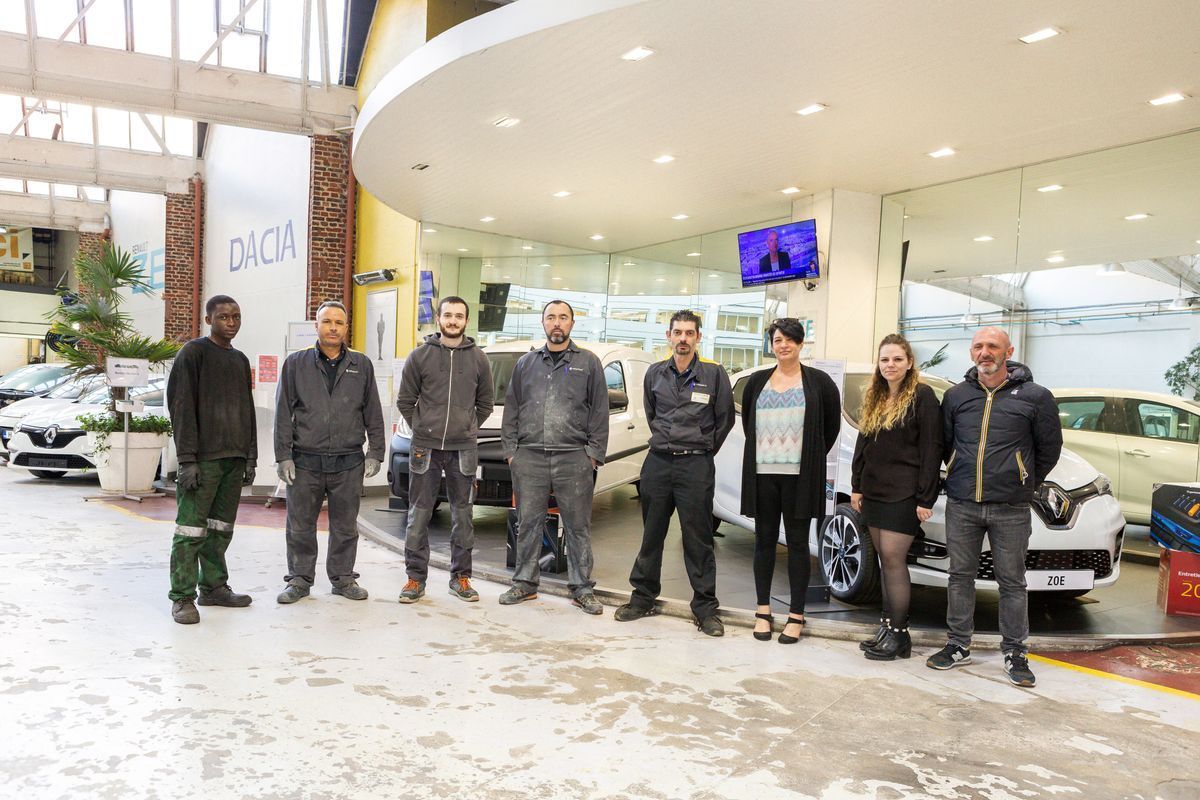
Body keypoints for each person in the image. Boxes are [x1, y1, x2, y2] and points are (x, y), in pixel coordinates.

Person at [927, 326, 1062, 687]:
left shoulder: (1036, 397)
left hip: (1011, 507)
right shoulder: (956, 396)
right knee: (960, 576)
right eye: (978, 346)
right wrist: (956, 471)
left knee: (1012, 582)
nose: (984, 352)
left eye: (992, 346)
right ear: (971, 352)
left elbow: (1049, 448)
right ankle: (958, 644)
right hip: (962, 503)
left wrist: (1023, 480)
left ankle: (1015, 651)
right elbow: (944, 443)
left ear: (1008, 352)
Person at [614, 311, 734, 636]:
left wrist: (703, 449)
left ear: (698, 337)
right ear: (669, 336)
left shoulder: (714, 373)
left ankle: (705, 608)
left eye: (689, 333)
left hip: (695, 465)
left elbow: (725, 419)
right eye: (677, 332)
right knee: (651, 534)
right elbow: (651, 413)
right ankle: (643, 598)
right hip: (658, 463)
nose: (683, 339)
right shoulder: (655, 373)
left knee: (698, 538)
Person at [499, 300, 608, 614]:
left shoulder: (588, 363)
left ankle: (582, 589)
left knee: (577, 526)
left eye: (563, 317)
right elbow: (512, 409)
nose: (556, 323)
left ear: (572, 323)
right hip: (529, 457)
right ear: (543, 323)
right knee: (527, 523)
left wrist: (592, 455)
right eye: (551, 317)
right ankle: (524, 584)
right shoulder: (526, 364)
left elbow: (599, 411)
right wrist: (512, 453)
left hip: (573, 457)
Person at [274, 300, 385, 604]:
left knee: (345, 526)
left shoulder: (361, 365)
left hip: (348, 461)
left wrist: (376, 452)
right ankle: (299, 580)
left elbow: (373, 411)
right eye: (327, 322)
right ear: (317, 326)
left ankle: (343, 579)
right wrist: (283, 456)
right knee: (300, 526)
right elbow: (282, 412)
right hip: (305, 460)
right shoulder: (295, 364)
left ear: (346, 327)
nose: (333, 328)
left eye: (339, 322)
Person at [738, 318, 840, 644]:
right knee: (764, 542)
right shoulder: (758, 381)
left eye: (790, 339)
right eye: (778, 340)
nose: (784, 345)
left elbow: (830, 428)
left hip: (800, 477)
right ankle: (763, 611)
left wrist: (806, 458)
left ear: (800, 343)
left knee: (797, 544)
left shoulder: (820, 382)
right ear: (772, 345)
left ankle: (796, 615)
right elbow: (749, 426)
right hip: (763, 476)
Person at [395, 296, 494, 604]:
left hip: (463, 449)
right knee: (419, 515)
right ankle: (415, 578)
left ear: (466, 321)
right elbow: (405, 401)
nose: (453, 320)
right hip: (424, 448)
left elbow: (486, 404)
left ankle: (461, 578)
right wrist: (423, 427)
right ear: (438, 319)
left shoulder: (479, 359)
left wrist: (466, 428)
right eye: (448, 315)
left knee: (463, 517)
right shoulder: (419, 356)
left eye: (459, 316)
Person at [850, 334, 942, 660]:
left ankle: (900, 635)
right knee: (883, 561)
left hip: (904, 493)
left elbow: (932, 449)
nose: (890, 365)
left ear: (909, 362)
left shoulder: (922, 396)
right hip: (874, 490)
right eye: (885, 359)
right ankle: (887, 628)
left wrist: (926, 499)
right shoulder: (875, 395)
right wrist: (857, 485)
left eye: (897, 359)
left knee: (893, 560)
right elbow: (863, 444)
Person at [165, 295, 257, 625]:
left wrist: (250, 456)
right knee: (191, 530)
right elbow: (181, 407)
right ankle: (182, 597)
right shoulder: (193, 353)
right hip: (202, 461)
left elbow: (247, 410)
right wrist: (187, 460)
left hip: (233, 459)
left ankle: (214, 587)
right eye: (223, 317)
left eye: (236, 316)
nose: (231, 323)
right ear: (208, 320)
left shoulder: (240, 360)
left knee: (220, 529)